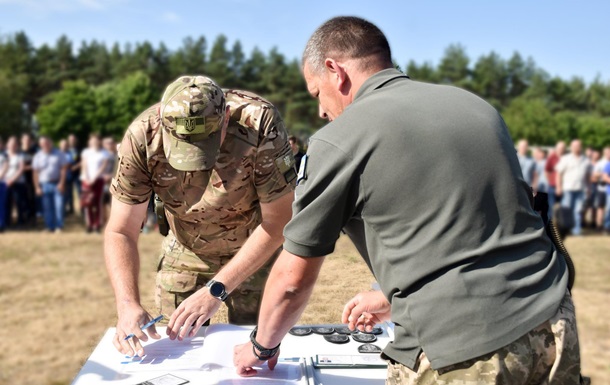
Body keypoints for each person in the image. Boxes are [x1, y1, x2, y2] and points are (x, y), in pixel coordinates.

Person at [233, 16, 582, 385]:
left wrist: (260, 346)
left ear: (335, 71)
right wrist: (389, 297)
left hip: (464, 351)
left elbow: (292, 280)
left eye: (316, 92)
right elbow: (480, 226)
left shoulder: (338, 140)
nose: (320, 111)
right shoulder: (474, 106)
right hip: (553, 322)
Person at [104, 75, 296, 357]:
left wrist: (216, 289)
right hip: (186, 250)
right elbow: (121, 230)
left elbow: (279, 220)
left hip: (256, 248)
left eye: (205, 141)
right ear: (161, 117)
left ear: (226, 117)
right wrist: (127, 303)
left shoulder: (258, 121)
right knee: (174, 352)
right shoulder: (142, 135)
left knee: (259, 350)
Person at [32, 136, 69, 232]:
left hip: (57, 183)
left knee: (59, 206)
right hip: (44, 184)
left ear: (51, 143)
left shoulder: (59, 154)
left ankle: (59, 227)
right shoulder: (37, 156)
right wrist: (37, 187)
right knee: (47, 207)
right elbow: (35, 173)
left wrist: (62, 183)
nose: (45, 145)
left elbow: (64, 169)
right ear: (40, 145)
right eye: (43, 143)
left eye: (47, 143)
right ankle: (49, 227)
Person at [556, 139, 591, 236]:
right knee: (566, 210)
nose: (576, 148)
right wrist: (558, 187)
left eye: (578, 146)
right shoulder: (566, 159)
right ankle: (564, 229)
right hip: (568, 189)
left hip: (581, 189)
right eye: (574, 146)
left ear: (581, 147)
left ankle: (577, 230)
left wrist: (588, 188)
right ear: (571, 147)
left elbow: (588, 176)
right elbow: (559, 173)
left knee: (578, 210)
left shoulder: (586, 160)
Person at [80, 134, 109, 233]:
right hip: (86, 180)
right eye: (92, 140)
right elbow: (84, 165)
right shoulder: (86, 152)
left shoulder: (104, 153)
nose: (94, 142)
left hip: (98, 180)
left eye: (96, 140)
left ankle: (97, 225)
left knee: (97, 202)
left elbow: (103, 167)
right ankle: (89, 224)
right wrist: (87, 178)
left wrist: (94, 178)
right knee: (88, 202)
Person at [4, 136, 28, 227]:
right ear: (7, 145)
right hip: (4, 183)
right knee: (6, 203)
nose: (12, 146)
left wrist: (12, 180)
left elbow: (21, 169)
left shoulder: (20, 156)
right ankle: (6, 222)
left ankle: (20, 222)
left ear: (17, 146)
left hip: (18, 183)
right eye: (11, 144)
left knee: (19, 203)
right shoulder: (3, 155)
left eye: (14, 144)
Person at [545, 140, 566, 218]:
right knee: (551, 207)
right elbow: (547, 170)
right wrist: (550, 180)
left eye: (562, 148)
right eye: (559, 148)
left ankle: (560, 226)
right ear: (556, 148)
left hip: (564, 187)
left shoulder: (566, 158)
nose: (560, 150)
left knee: (563, 207)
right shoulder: (552, 157)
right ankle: (551, 226)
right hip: (552, 186)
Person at [21, 133, 38, 224]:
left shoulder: (35, 152)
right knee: (21, 200)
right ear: (22, 140)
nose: (27, 142)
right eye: (25, 139)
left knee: (31, 199)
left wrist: (26, 167)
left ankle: (32, 218)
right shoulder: (19, 151)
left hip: (31, 179)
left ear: (31, 141)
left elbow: (37, 165)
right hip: (19, 180)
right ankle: (23, 218)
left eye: (28, 140)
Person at [591, 148, 609, 231]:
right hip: (601, 188)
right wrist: (602, 174)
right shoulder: (600, 163)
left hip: (608, 188)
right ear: (605, 153)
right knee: (600, 207)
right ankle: (599, 225)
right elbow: (594, 174)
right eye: (608, 152)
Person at [66, 133, 82, 215]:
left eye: (73, 139)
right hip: (68, 174)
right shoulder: (65, 149)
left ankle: (82, 209)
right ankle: (71, 209)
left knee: (80, 192)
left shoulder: (80, 149)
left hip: (77, 174)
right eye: (70, 139)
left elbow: (83, 161)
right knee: (69, 192)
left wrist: (76, 166)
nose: (71, 141)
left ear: (75, 140)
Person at [0, 142, 7, 231]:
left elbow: (6, 166)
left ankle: (1, 225)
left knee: (1, 205)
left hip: (1, 183)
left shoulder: (5, 155)